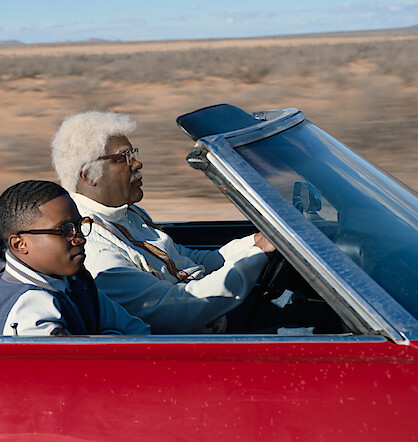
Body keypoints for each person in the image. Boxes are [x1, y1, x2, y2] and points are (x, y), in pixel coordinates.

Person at [51, 111, 275, 334]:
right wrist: (257, 255)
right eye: (123, 158)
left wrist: (255, 243)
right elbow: (176, 310)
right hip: (196, 346)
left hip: (214, 321)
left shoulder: (126, 214)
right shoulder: (93, 247)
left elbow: (187, 260)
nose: (137, 164)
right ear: (89, 175)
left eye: (133, 154)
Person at [0, 180, 150, 336]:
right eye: (64, 231)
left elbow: (136, 331)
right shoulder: (30, 309)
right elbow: (71, 366)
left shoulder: (73, 279)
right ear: (20, 244)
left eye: (79, 226)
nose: (80, 239)